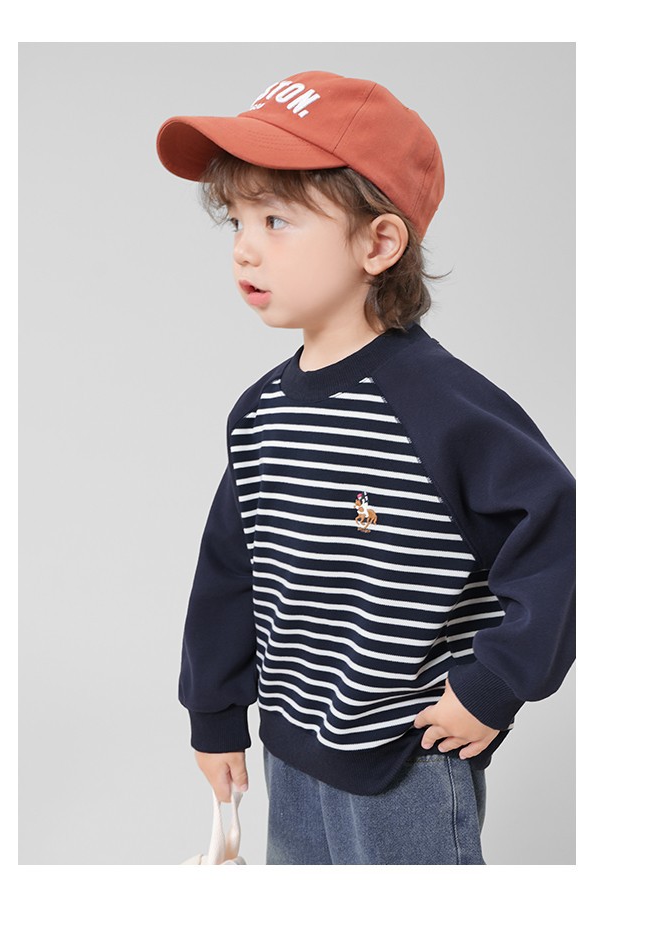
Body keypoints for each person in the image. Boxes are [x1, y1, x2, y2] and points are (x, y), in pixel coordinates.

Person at [155, 70, 576, 865]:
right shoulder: (259, 415)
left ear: (378, 243)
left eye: (277, 219)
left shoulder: (443, 407)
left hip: (406, 761)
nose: (245, 246)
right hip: (290, 751)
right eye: (237, 219)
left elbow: (561, 537)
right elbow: (230, 571)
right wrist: (213, 712)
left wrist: (494, 685)